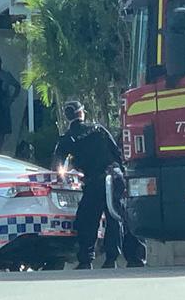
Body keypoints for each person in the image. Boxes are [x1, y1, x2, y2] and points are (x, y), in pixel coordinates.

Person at [53, 101, 146, 269]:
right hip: (112, 178)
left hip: (93, 182)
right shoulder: (98, 129)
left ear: (68, 117)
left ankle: (86, 260)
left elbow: (58, 165)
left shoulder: (68, 138)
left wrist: (63, 177)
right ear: (82, 113)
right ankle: (120, 259)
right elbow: (117, 153)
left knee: (87, 220)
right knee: (117, 217)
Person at [0, 56, 22, 153]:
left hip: (4, 103)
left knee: (2, 130)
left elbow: (17, 86)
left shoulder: (6, 75)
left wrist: (12, 99)